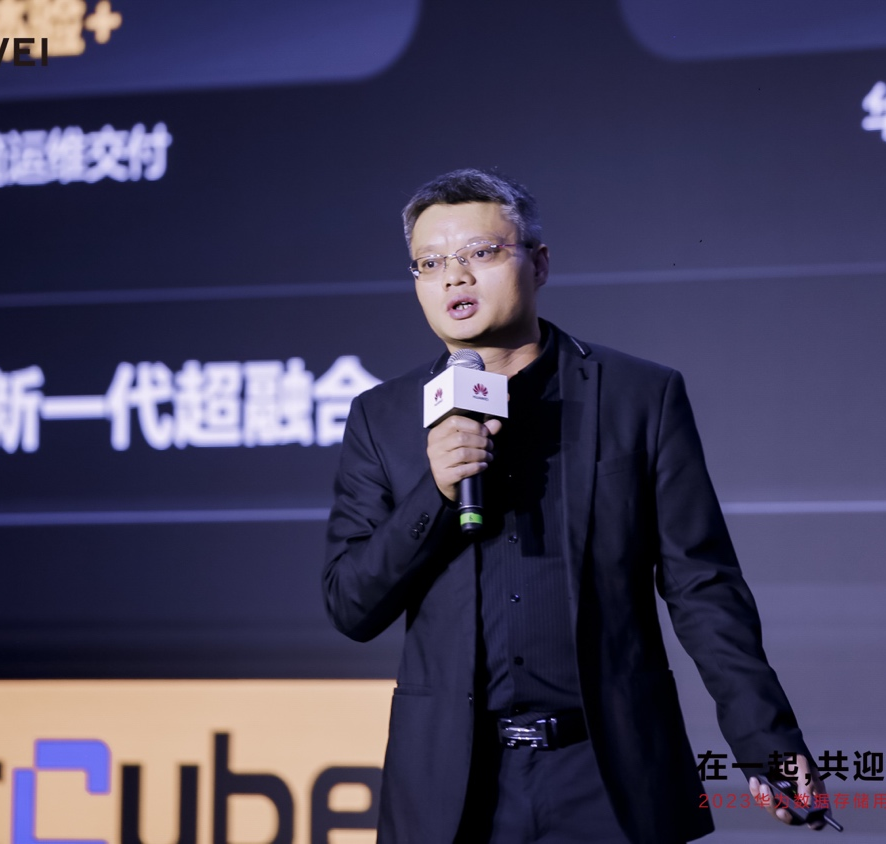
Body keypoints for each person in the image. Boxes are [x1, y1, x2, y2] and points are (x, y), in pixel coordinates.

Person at [322, 169, 826, 843]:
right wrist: (435, 495)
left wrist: (768, 742)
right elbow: (351, 605)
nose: (454, 277)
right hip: (454, 789)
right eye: (431, 262)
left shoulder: (637, 397)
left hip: (608, 776)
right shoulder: (382, 417)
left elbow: (702, 586)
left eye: (480, 253)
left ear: (539, 263)